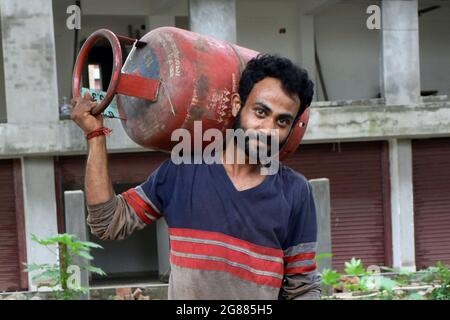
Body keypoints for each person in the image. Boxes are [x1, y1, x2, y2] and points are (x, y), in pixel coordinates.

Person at [70, 54, 321, 300]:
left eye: (282, 121)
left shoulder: (295, 192)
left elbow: (302, 289)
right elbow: (108, 222)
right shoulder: (182, 172)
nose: (268, 130)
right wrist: (96, 136)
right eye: (260, 112)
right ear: (237, 105)